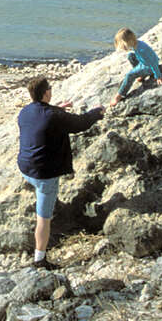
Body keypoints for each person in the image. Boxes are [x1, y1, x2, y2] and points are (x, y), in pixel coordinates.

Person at [16, 76, 104, 270]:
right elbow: (81, 123)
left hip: (25, 167)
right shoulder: (55, 115)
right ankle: (39, 259)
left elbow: (43, 117)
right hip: (44, 174)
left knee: (40, 189)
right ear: (46, 92)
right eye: (50, 88)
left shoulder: (25, 111)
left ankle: (40, 196)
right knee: (43, 219)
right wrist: (97, 112)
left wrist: (57, 109)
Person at [108, 27, 162, 108]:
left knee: (129, 75)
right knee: (130, 56)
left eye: (123, 46)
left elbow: (153, 64)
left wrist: (158, 76)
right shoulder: (137, 44)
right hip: (145, 62)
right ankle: (141, 75)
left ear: (128, 41)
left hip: (148, 67)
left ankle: (119, 95)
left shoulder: (141, 50)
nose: (123, 48)